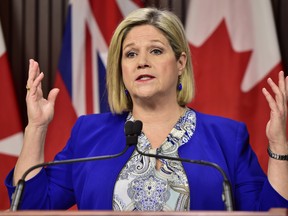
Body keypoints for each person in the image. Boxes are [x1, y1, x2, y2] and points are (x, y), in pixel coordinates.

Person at [5, 7, 288, 211]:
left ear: (180, 63)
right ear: (121, 69)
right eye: (130, 54)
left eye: (155, 51)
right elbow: (31, 206)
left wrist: (278, 146)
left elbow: (269, 213)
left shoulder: (227, 136)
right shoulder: (89, 134)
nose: (142, 62)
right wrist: (37, 127)